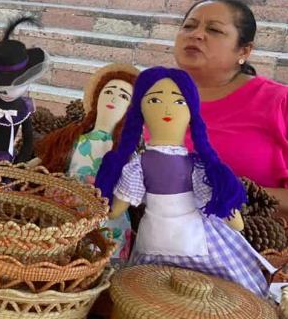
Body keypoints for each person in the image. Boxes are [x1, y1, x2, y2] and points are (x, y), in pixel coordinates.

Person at [95, 67, 273, 297]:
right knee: (156, 292)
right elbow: (115, 210)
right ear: (141, 110)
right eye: (155, 100)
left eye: (179, 102)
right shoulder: (139, 165)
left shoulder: (191, 166)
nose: (167, 108)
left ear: (191, 113)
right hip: (161, 240)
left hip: (167, 237)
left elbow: (115, 210)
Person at [173, 0, 288, 215]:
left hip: (249, 243)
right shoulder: (155, 95)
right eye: (189, 26)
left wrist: (231, 193)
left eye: (214, 30)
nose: (196, 34)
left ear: (243, 51)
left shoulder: (279, 102)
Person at [35, 63, 139, 260]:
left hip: (104, 216)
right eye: (109, 91)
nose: (114, 97)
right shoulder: (73, 136)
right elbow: (45, 160)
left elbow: (130, 186)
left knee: (100, 255)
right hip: (64, 212)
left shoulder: (124, 150)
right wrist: (17, 171)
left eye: (124, 96)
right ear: (97, 97)